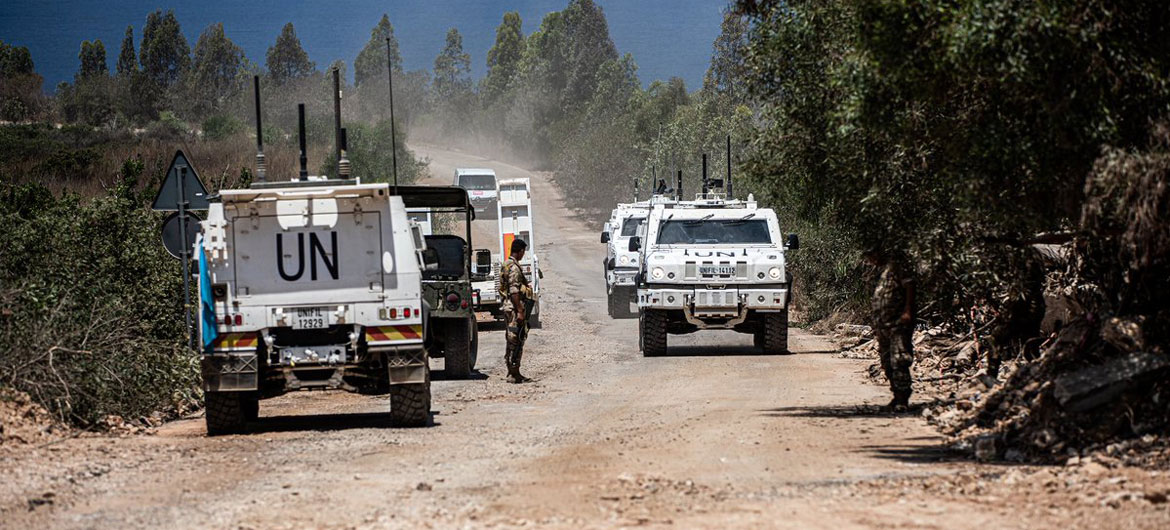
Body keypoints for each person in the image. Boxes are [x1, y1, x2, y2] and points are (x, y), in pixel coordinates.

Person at [865, 249, 916, 411]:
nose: (871, 261)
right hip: (884, 325)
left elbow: (909, 286)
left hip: (898, 324)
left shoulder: (897, 267)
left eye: (872, 256)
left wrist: (908, 311)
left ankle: (902, 399)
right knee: (887, 362)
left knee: (899, 360)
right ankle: (895, 396)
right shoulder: (883, 271)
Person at [500, 238, 534, 383]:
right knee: (516, 338)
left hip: (509, 306)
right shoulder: (513, 267)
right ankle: (513, 372)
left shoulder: (507, 264)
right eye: (523, 252)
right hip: (514, 308)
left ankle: (513, 371)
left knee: (512, 338)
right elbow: (514, 291)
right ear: (520, 251)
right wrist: (520, 311)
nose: (523, 255)